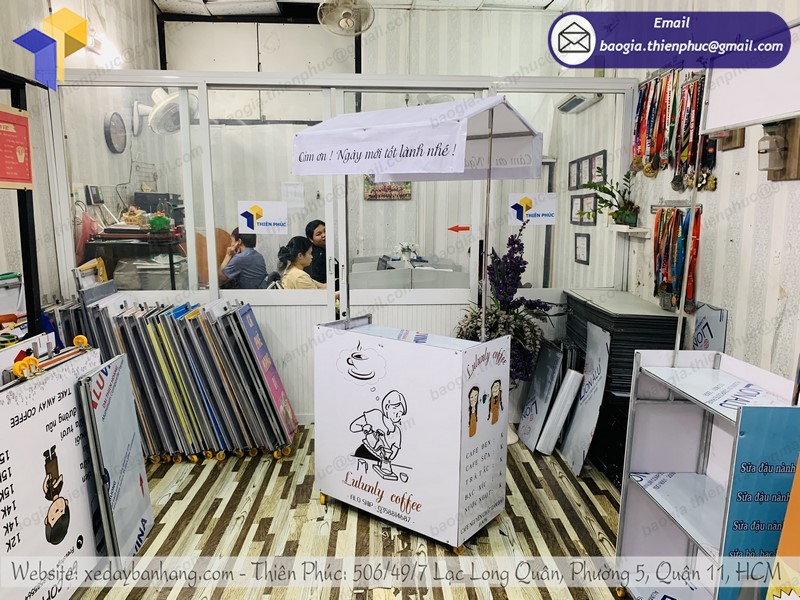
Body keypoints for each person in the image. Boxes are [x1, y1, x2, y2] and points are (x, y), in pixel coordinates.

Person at [305, 220, 328, 284]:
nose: (324, 235)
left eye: (325, 231)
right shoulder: (317, 255)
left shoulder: (326, 250)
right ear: (311, 239)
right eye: (318, 234)